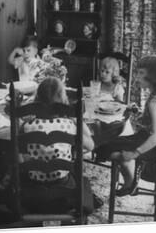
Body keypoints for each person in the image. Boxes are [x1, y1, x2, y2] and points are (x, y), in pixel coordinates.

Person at [15, 77, 96, 213]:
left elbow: (19, 157)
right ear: (63, 100)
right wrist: (75, 117)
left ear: (37, 99)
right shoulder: (69, 125)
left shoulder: (27, 126)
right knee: (82, 181)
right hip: (63, 189)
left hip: (33, 191)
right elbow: (91, 146)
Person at [98, 55, 156, 196]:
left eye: (141, 73)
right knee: (107, 144)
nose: (137, 77)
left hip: (147, 144)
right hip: (143, 137)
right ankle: (130, 179)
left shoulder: (154, 102)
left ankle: (130, 180)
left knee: (105, 148)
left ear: (152, 75)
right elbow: (155, 120)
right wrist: (138, 112)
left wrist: (134, 153)